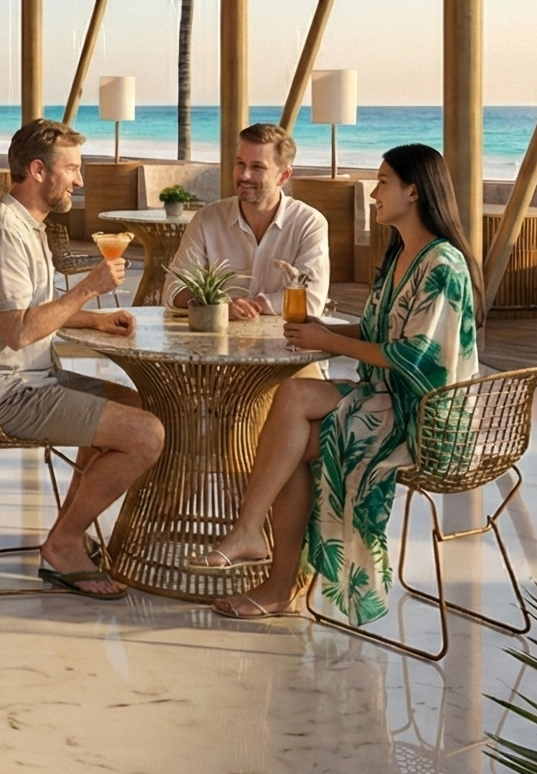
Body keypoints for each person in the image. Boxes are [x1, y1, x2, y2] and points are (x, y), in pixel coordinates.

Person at [190, 143, 479, 623]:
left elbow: (415, 358)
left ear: (414, 190)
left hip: (425, 415)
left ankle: (265, 562)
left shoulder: (441, 265)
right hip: (386, 399)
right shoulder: (402, 256)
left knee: (293, 444)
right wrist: (315, 336)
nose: (372, 192)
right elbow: (376, 333)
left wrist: (328, 339)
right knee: (294, 404)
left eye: (383, 181)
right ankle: (258, 551)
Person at [0, 118, 162, 599]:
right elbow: (19, 330)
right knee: (147, 435)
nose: (80, 180)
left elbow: (31, 313)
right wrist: (89, 290)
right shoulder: (6, 233)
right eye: (73, 168)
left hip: (29, 380)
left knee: (134, 408)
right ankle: (65, 543)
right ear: (39, 171)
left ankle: (69, 534)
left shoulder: (26, 225)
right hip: (7, 394)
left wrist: (95, 320)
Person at [163, 123, 330, 315]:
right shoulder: (206, 220)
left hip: (283, 341)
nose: (244, 175)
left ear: (283, 176)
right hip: (216, 340)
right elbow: (173, 290)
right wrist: (222, 304)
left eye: (257, 167)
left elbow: (311, 300)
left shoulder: (309, 224)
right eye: (240, 164)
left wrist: (251, 305)